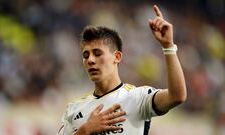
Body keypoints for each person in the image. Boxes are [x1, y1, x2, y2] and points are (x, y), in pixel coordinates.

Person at [57, 5, 187, 135]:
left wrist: (168, 46)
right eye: (86, 55)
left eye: (97, 54)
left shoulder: (138, 97)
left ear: (117, 57)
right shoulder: (74, 109)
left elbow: (177, 96)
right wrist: (85, 130)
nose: (90, 60)